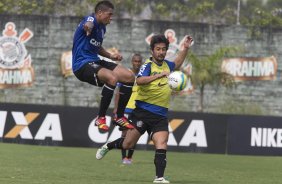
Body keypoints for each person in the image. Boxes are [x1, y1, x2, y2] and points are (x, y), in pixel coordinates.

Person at [96, 34, 193, 183]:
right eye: (158, 49)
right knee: (127, 144)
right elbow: (139, 81)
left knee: (162, 143)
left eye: (164, 49)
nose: (161, 52)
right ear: (152, 51)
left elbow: (178, 62)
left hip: (160, 115)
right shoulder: (147, 65)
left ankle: (159, 177)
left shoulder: (168, 65)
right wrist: (160, 75)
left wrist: (185, 48)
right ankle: (109, 145)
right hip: (142, 113)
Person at [72, 0, 134, 132]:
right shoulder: (91, 19)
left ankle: (119, 116)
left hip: (95, 60)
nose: (111, 18)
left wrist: (111, 56)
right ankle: (100, 118)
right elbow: (88, 23)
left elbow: (96, 46)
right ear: (99, 13)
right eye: (109, 14)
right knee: (112, 78)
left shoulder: (102, 28)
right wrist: (88, 26)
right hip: (82, 64)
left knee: (129, 76)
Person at [112, 53, 143, 164]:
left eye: (139, 61)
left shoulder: (143, 76)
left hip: (137, 109)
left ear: (141, 63)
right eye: (135, 61)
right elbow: (118, 92)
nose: (137, 63)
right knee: (124, 134)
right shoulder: (126, 74)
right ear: (132, 62)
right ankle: (124, 158)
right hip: (125, 109)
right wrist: (116, 108)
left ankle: (129, 157)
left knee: (133, 136)